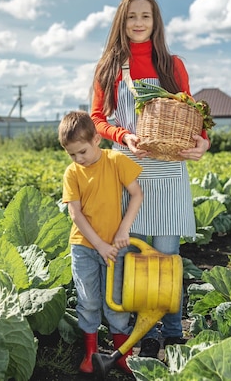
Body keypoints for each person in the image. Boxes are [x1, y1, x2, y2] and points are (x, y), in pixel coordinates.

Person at [90, 0, 210, 359]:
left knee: (167, 256)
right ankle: (146, 334)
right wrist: (125, 135)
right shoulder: (108, 68)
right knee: (134, 257)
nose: (139, 23)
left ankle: (173, 333)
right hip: (129, 171)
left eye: (146, 16)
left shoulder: (173, 65)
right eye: (131, 17)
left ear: (156, 23)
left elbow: (191, 115)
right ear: (121, 23)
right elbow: (98, 120)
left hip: (169, 171)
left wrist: (202, 142)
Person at [59, 110, 144, 374]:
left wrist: (122, 231)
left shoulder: (116, 160)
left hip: (114, 247)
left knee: (116, 302)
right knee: (88, 301)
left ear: (97, 139)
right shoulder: (72, 173)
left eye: (81, 152)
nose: (78, 159)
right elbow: (75, 214)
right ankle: (91, 354)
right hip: (84, 247)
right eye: (72, 154)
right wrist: (100, 245)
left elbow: (136, 195)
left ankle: (122, 355)